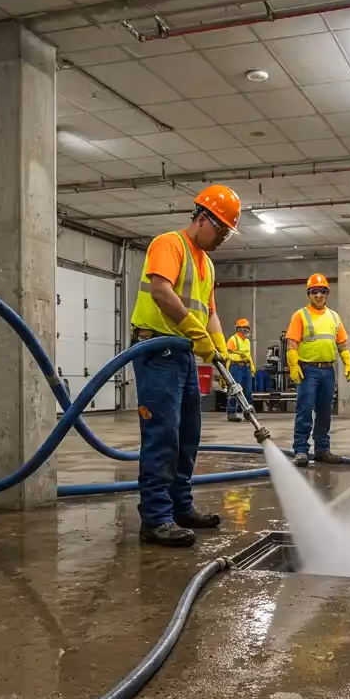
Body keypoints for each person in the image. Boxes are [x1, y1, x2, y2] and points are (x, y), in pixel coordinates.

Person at [129, 185, 240, 547]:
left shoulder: (206, 262)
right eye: (221, 230)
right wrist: (195, 332)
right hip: (157, 349)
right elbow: (161, 291)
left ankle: (180, 506)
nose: (223, 238)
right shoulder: (169, 243)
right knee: (162, 435)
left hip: (183, 355)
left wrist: (219, 350)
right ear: (203, 218)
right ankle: (156, 518)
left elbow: (210, 313)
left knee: (187, 435)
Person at [285, 273, 350, 467]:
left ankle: (322, 450)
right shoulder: (300, 316)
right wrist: (293, 365)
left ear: (327, 294)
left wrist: (348, 363)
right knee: (304, 410)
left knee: (324, 412)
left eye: (322, 291)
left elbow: (342, 344)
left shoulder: (334, 317)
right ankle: (300, 450)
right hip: (308, 371)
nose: (318, 295)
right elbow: (292, 343)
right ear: (309, 294)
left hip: (327, 371)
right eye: (314, 292)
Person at [225, 318, 255, 422]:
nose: (246, 331)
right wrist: (239, 355)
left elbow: (248, 355)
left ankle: (248, 412)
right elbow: (228, 353)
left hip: (245, 367)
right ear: (238, 329)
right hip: (235, 366)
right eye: (243, 328)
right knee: (235, 390)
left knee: (248, 391)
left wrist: (252, 366)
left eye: (247, 328)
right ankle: (231, 412)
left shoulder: (247, 341)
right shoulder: (233, 339)